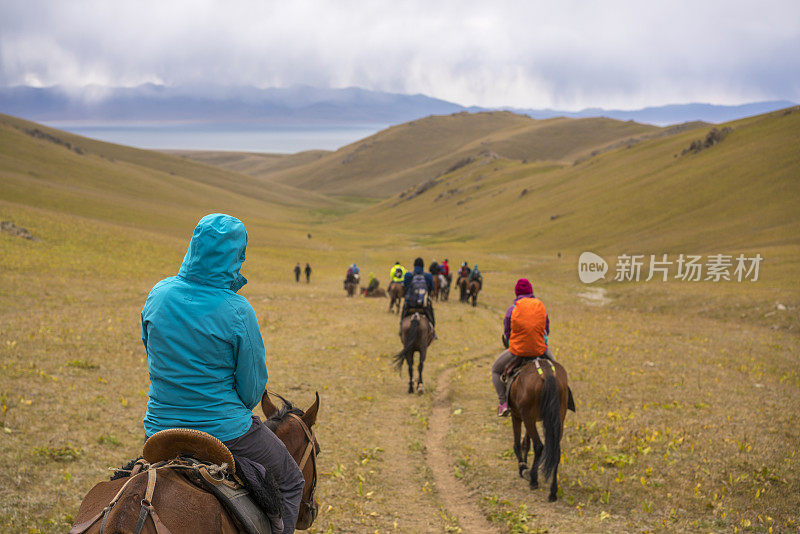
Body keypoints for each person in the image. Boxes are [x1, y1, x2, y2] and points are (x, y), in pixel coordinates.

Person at [141, 214, 304, 532]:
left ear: (194, 246)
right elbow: (251, 393)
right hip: (227, 433)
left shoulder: (157, 294)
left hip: (159, 427)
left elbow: (152, 352)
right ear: (237, 256)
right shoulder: (238, 310)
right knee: (291, 481)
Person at [491, 278, 554, 417]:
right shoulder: (540, 306)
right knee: (555, 369)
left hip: (517, 351)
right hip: (539, 349)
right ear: (531, 292)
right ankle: (563, 399)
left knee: (495, 370)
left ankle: (503, 404)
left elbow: (507, 333)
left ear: (516, 293)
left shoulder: (512, 309)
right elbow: (546, 329)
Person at [401, 257, 435, 334]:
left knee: (403, 314)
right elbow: (431, 289)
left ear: (414, 265)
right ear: (423, 266)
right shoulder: (428, 276)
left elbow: (404, 287)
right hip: (423, 305)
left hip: (410, 304)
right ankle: (433, 332)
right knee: (431, 315)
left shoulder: (408, 275)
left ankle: (401, 329)